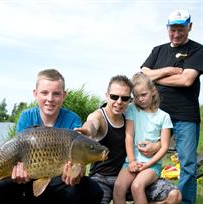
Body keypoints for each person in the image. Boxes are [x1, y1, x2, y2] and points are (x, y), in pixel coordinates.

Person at [0, 68, 103, 204]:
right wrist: (18, 171)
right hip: (28, 174)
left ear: (64, 95)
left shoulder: (73, 119)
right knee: (1, 184)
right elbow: (17, 152)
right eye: (44, 93)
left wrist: (76, 174)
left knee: (93, 190)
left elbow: (79, 162)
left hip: (59, 178)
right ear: (35, 93)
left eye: (56, 94)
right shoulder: (26, 116)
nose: (50, 99)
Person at [75, 75, 181, 204]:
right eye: (114, 97)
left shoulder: (134, 112)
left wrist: (156, 146)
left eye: (125, 98)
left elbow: (163, 142)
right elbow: (92, 123)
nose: (119, 102)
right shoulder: (104, 114)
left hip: (143, 168)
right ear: (107, 95)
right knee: (112, 191)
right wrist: (87, 130)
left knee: (173, 195)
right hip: (105, 177)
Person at [141, 9, 203, 204]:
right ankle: (149, 196)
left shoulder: (198, 50)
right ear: (167, 28)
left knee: (188, 165)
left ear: (190, 27)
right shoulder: (158, 50)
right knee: (147, 156)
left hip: (185, 117)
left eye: (181, 30)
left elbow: (186, 80)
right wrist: (168, 70)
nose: (176, 34)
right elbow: (143, 75)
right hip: (157, 116)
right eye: (173, 30)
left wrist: (156, 77)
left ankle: (185, 202)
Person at [113, 72, 172, 204]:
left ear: (153, 91)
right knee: (118, 187)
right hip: (131, 162)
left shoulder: (164, 117)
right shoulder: (132, 109)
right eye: (136, 96)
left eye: (143, 95)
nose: (140, 99)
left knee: (137, 186)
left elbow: (164, 146)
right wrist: (133, 161)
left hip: (152, 165)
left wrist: (147, 165)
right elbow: (129, 136)